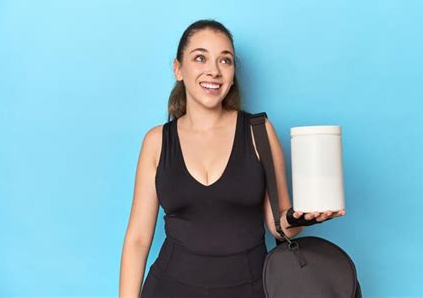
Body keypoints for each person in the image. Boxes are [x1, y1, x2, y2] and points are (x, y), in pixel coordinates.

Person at [119, 19, 346, 298]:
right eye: (200, 58)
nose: (213, 71)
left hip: (249, 290)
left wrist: (308, 217)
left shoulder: (259, 132)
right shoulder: (156, 141)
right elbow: (138, 240)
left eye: (225, 61)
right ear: (178, 69)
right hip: (168, 288)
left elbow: (280, 225)